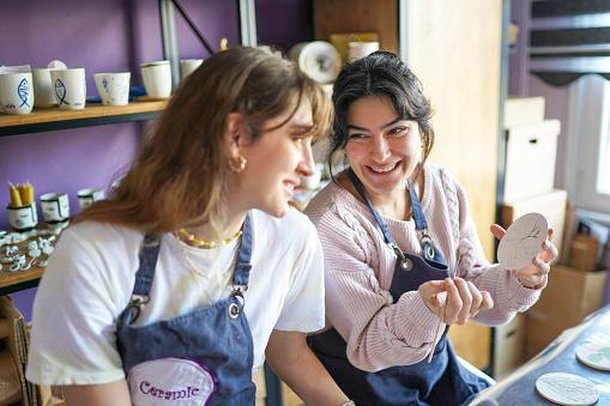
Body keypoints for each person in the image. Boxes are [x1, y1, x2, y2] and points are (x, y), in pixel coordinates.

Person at [26, 47, 352, 406]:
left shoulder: (291, 237)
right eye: (297, 139)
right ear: (236, 136)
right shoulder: (93, 252)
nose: (309, 166)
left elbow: (290, 356)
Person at [305, 51, 558, 406]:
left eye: (396, 131)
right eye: (360, 136)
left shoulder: (442, 187)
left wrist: (519, 277)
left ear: (422, 133)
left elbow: (476, 289)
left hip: (437, 373)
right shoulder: (329, 223)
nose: (379, 154)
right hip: (364, 392)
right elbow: (369, 346)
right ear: (343, 143)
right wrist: (426, 308)